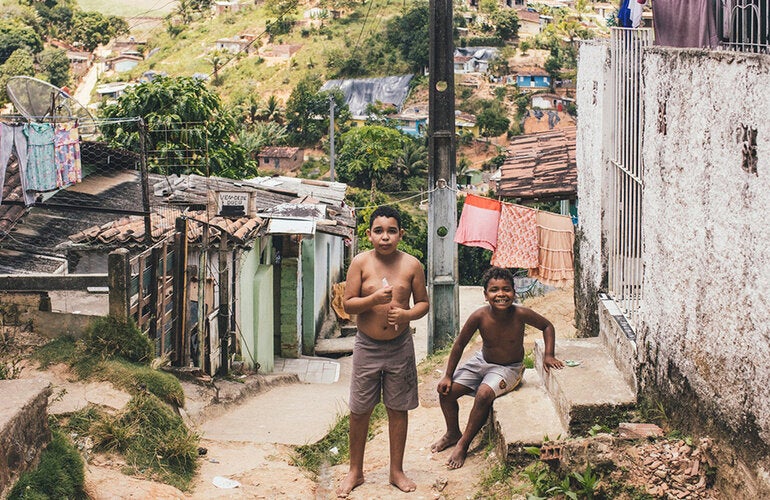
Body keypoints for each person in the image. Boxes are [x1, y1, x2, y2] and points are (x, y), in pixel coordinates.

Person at [431, 266, 564, 469]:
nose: (501, 294)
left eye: (506, 289)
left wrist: (548, 354)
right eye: (494, 290)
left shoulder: (520, 314)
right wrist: (448, 375)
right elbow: (459, 344)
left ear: (514, 292)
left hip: (509, 368)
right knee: (445, 392)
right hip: (482, 361)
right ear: (485, 295)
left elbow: (547, 326)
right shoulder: (479, 316)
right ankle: (452, 432)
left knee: (484, 394)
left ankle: (463, 443)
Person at [337, 205, 429, 497]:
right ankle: (356, 471)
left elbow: (423, 303)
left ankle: (396, 471)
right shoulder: (360, 263)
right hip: (367, 346)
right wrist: (373, 299)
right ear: (369, 235)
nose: (385, 237)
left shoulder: (412, 265)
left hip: (400, 346)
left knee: (397, 408)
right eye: (379, 231)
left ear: (401, 234)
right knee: (360, 409)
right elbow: (347, 303)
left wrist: (406, 316)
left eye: (391, 231)